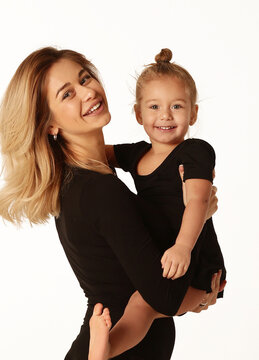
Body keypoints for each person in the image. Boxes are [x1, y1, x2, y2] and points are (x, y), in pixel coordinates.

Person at [0, 47, 225, 360]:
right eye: (67, 94)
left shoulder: (79, 179)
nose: (88, 91)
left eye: (85, 78)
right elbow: (165, 298)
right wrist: (200, 292)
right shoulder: (98, 190)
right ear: (49, 124)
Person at [89, 48, 226, 359]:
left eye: (177, 106)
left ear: (193, 114)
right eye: (154, 107)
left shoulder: (194, 152)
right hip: (162, 260)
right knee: (140, 304)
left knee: (143, 305)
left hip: (197, 263)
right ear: (139, 114)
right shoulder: (137, 154)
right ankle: (105, 348)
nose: (165, 115)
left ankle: (106, 350)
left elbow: (198, 202)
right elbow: (99, 152)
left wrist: (182, 246)